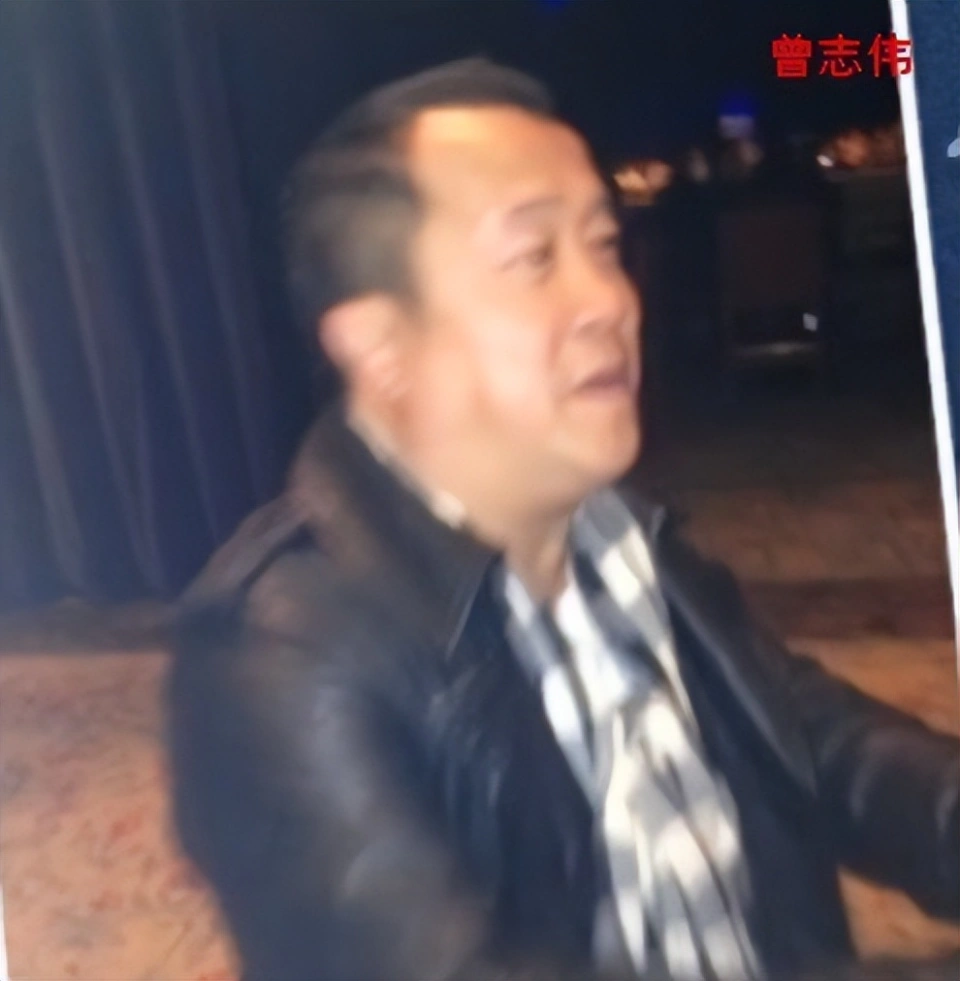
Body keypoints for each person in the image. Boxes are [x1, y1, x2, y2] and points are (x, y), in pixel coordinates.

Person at [167, 59, 960, 981]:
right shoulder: (277, 661)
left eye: (605, 246)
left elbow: (820, 741)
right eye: (534, 259)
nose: (611, 302)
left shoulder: (619, 536)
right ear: (382, 349)